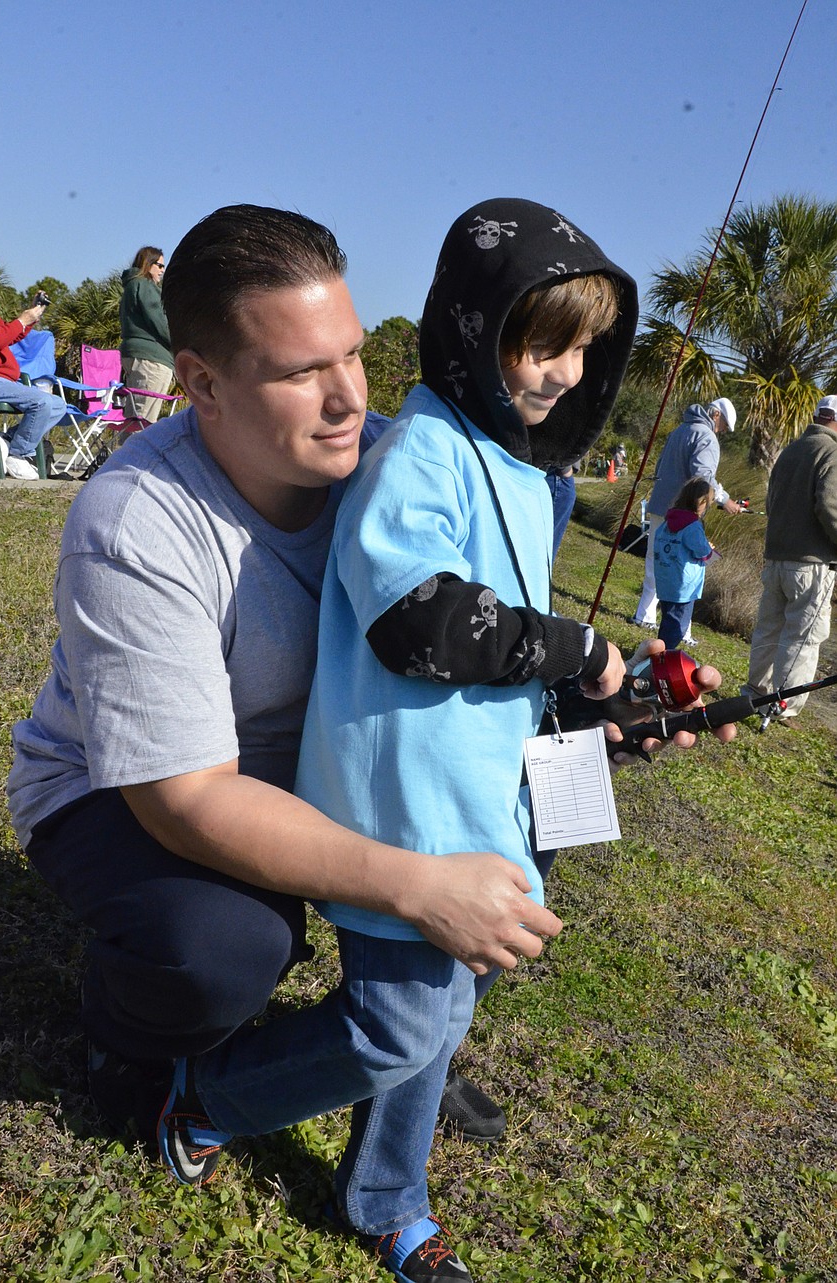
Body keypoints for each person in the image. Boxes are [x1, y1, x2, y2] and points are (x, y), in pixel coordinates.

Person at [6, 204, 567, 1277]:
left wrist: (589, 708)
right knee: (225, 949)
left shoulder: (392, 471)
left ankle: (410, 1057)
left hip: (323, 770)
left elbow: (473, 645)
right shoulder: (138, 518)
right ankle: (137, 1039)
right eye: (301, 371)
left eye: (354, 353)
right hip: (129, 787)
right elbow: (188, 801)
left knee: (501, 860)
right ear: (203, 384)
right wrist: (415, 886)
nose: (350, 395)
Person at [291, 197, 648, 1278]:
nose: (565, 373)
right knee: (394, 1025)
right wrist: (577, 646)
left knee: (452, 998)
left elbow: (515, 651)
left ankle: (387, 1172)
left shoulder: (528, 472)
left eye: (583, 347)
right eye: (540, 343)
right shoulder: (419, 452)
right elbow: (423, 622)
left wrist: (605, 705)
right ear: (467, 330)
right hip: (403, 807)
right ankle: (214, 1097)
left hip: (488, 797)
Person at [741, 395, 837, 722]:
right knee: (803, 635)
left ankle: (755, 692)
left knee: (768, 629)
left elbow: (772, 501)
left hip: (776, 557)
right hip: (810, 563)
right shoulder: (832, 451)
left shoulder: (792, 450)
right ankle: (783, 704)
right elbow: (829, 504)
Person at [633, 398, 741, 639]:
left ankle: (644, 615)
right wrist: (724, 500)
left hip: (661, 504)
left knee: (656, 560)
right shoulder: (706, 437)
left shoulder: (681, 429)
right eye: (723, 426)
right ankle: (681, 629)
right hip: (685, 512)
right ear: (715, 415)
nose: (722, 432)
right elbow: (702, 479)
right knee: (687, 570)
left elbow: (661, 466)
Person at [0, 282, 66, 479]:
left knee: (58, 405)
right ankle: (19, 454)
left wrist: (31, 317)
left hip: (5, 380)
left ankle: (7, 440)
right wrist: (22, 319)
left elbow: (8, 334)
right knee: (42, 402)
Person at [654, 477, 717, 650]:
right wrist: (708, 549)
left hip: (666, 579)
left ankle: (660, 650)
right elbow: (702, 551)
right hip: (684, 586)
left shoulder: (669, 520)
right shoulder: (692, 526)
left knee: (668, 620)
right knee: (677, 626)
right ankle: (662, 656)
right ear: (702, 502)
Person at [118, 246, 174, 434]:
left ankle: (124, 460)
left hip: (139, 356)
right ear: (147, 264)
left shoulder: (133, 285)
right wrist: (182, 344)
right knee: (142, 422)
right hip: (150, 360)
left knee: (136, 418)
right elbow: (161, 323)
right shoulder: (144, 285)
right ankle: (129, 462)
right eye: (159, 265)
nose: (162, 270)